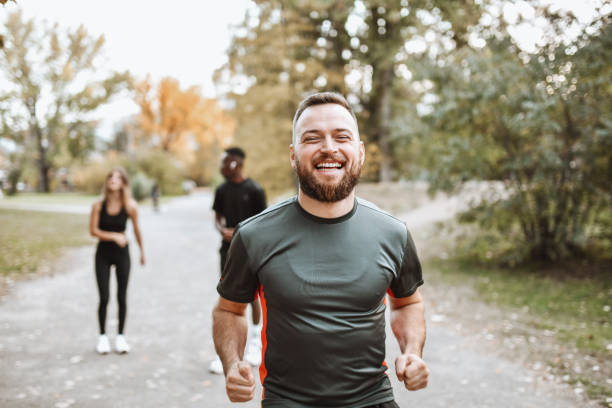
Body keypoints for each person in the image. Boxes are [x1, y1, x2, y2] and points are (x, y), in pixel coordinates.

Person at [212, 92, 428, 407]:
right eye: (312, 138)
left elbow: (408, 304)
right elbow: (228, 310)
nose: (329, 147)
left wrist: (412, 354)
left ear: (360, 151)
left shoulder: (393, 233)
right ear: (292, 154)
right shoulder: (254, 235)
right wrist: (232, 365)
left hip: (373, 400)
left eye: (342, 137)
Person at [209, 147, 267, 374]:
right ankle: (227, 353)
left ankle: (255, 341)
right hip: (227, 250)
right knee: (228, 297)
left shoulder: (254, 189)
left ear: (238, 163)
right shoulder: (222, 189)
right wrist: (222, 229)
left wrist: (241, 233)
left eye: (227, 162)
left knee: (251, 296)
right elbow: (216, 217)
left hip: (251, 251)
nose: (223, 165)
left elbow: (264, 222)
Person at [89, 167, 145, 354]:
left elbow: (136, 229)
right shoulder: (98, 204)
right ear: (107, 182)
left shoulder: (130, 206)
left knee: (122, 296)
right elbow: (93, 231)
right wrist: (114, 236)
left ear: (123, 183)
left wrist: (142, 251)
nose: (113, 180)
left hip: (122, 254)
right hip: (103, 254)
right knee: (104, 297)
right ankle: (102, 337)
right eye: (110, 177)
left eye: (117, 178)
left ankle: (121, 337)